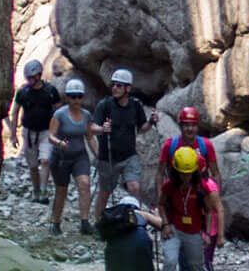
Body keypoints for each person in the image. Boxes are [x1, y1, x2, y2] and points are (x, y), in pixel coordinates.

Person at [160, 109, 223, 271]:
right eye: (186, 125)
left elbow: (215, 173)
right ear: (180, 126)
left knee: (199, 239)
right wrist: (160, 199)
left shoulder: (205, 146)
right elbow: (160, 174)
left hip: (199, 199)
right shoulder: (170, 146)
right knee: (180, 240)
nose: (190, 129)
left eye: (193, 125)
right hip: (176, 200)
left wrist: (215, 196)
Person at [156, 144, 220, 271]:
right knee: (170, 262)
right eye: (182, 174)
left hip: (194, 232)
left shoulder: (201, 187)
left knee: (197, 266)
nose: (185, 177)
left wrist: (207, 233)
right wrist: (164, 224)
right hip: (174, 229)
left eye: (189, 173)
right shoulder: (169, 186)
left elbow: (208, 212)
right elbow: (161, 205)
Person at [98, 181, 160, 271]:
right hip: (141, 244)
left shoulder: (113, 216)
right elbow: (161, 225)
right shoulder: (141, 214)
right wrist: (156, 214)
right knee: (141, 268)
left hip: (116, 248)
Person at [47, 80, 100, 237]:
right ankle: (55, 222)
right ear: (68, 98)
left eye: (79, 97)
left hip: (79, 156)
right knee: (61, 191)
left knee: (84, 184)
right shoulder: (59, 115)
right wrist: (59, 143)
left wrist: (98, 155)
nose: (76, 100)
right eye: (73, 97)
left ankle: (84, 222)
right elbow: (50, 135)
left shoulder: (86, 115)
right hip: (61, 157)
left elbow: (89, 137)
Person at [93, 69, 150, 214]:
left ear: (128, 88)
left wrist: (151, 122)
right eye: (113, 85)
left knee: (134, 187)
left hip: (129, 156)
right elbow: (92, 127)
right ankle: (99, 223)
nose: (115, 88)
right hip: (108, 158)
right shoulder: (105, 105)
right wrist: (102, 128)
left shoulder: (135, 106)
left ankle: (138, 221)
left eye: (119, 85)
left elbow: (142, 127)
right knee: (105, 192)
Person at [8, 61, 59, 202]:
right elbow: (16, 111)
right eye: (28, 78)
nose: (29, 80)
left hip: (46, 132)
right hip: (29, 133)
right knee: (32, 166)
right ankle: (36, 190)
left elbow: (58, 112)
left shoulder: (50, 91)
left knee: (45, 160)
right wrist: (13, 135)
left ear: (38, 75)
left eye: (32, 77)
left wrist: (56, 132)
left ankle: (43, 191)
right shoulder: (23, 92)